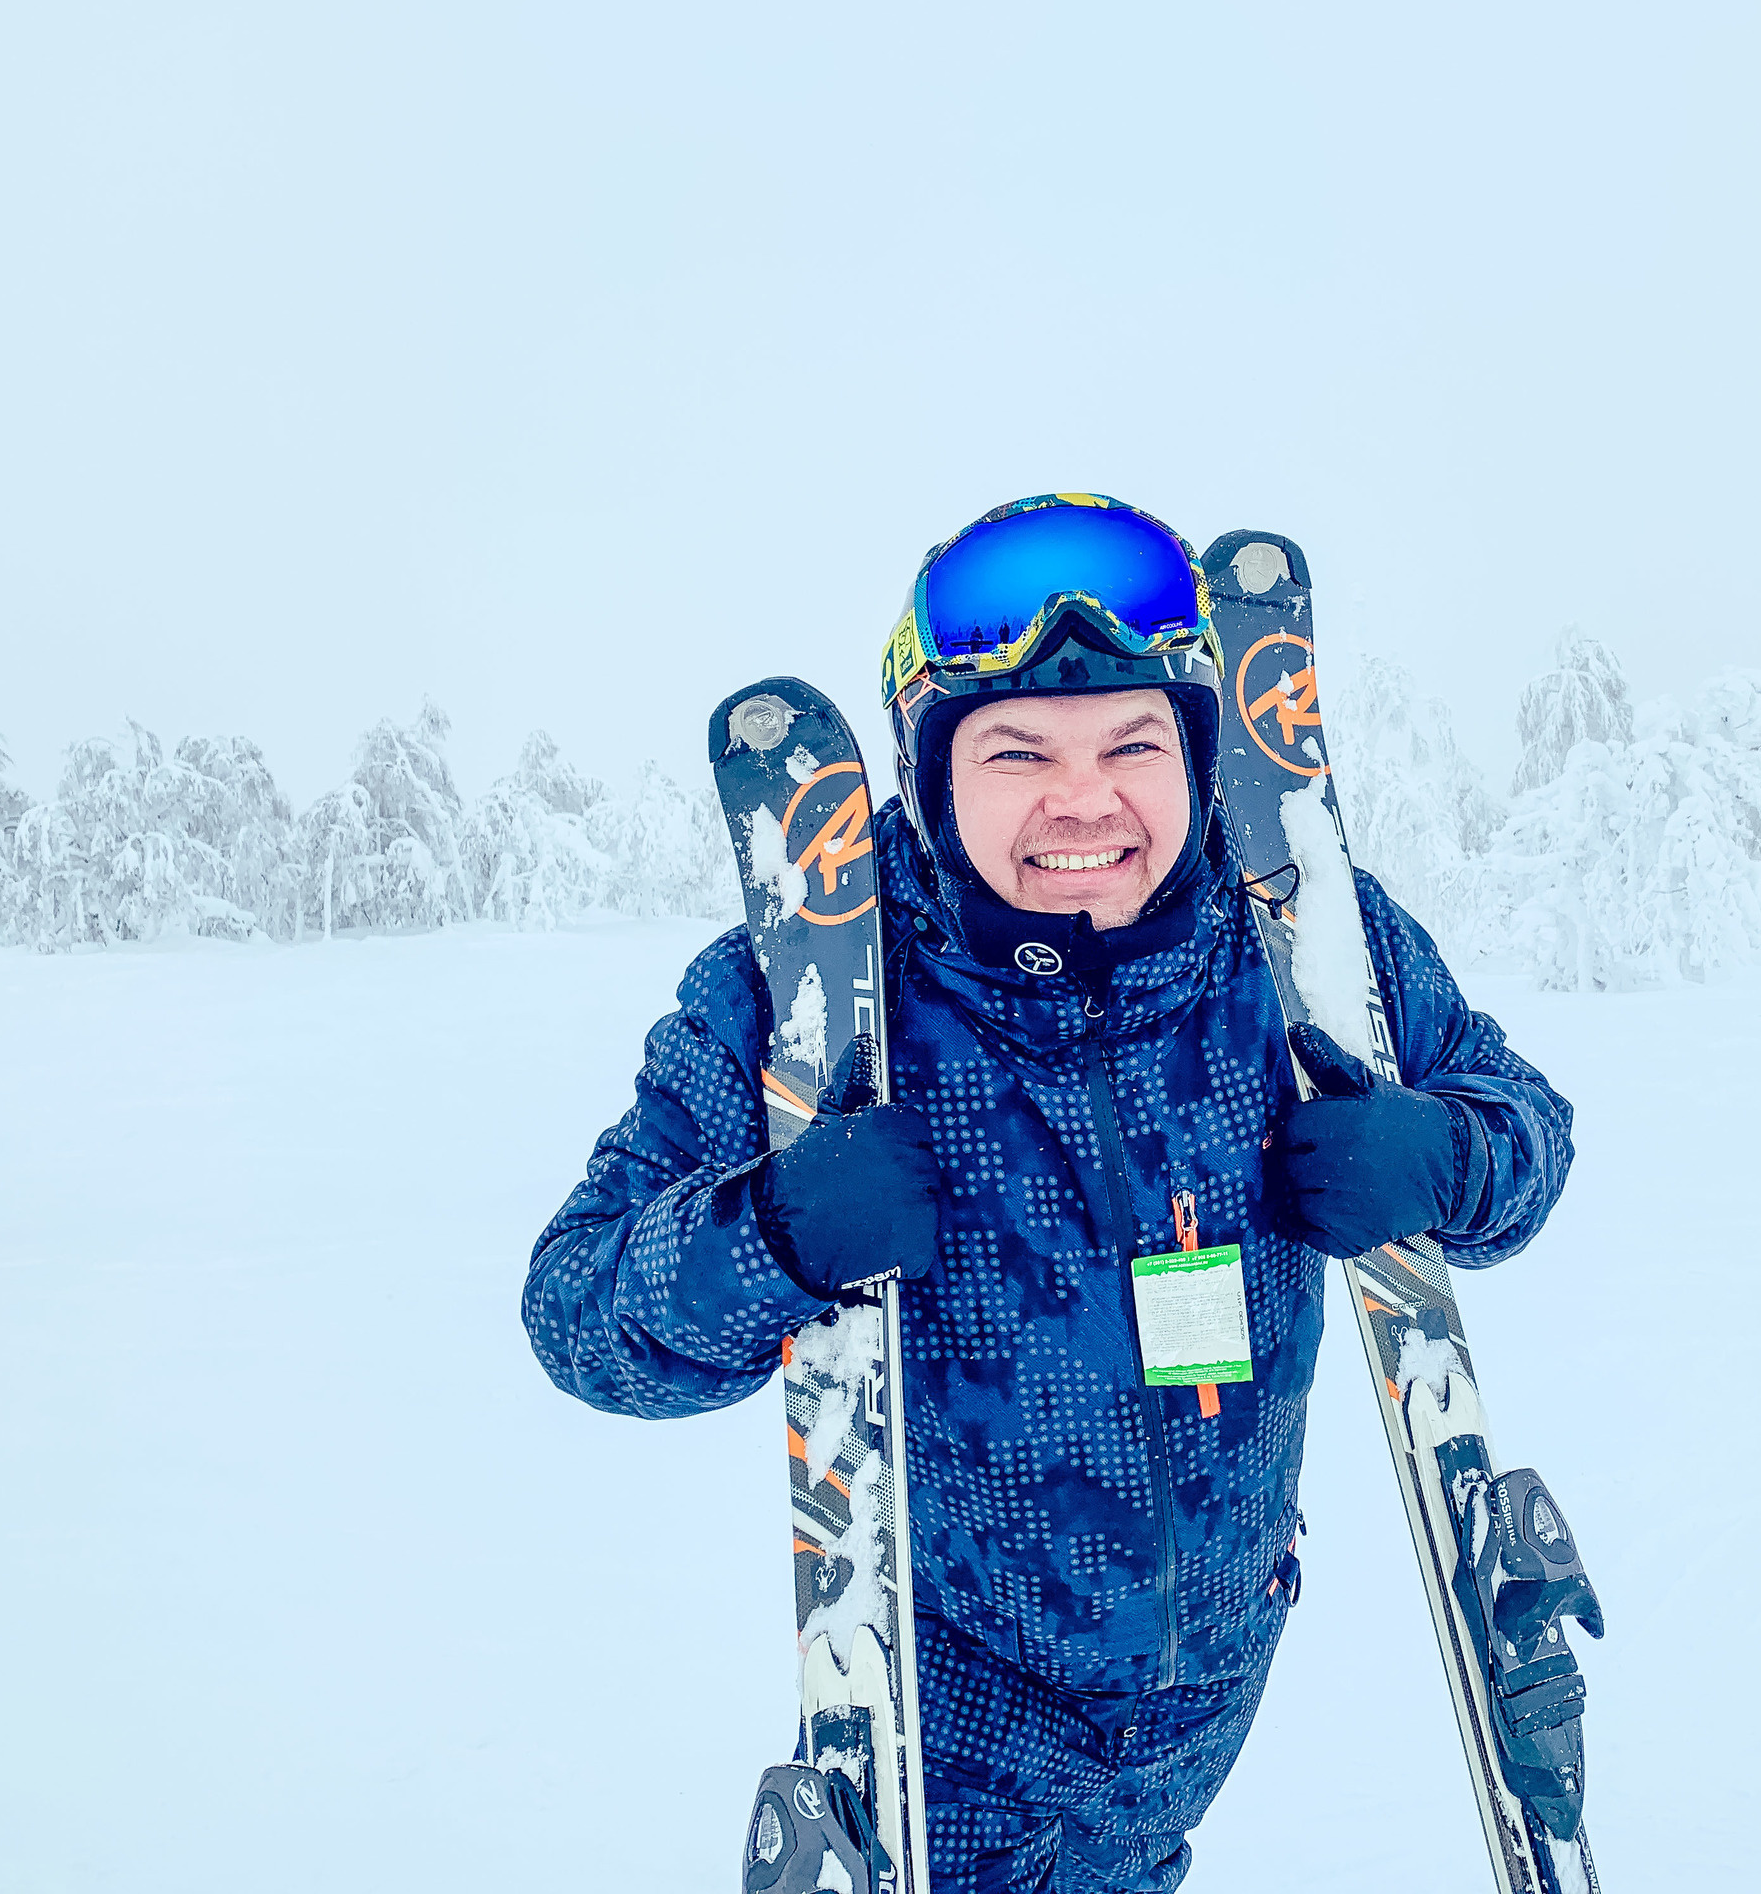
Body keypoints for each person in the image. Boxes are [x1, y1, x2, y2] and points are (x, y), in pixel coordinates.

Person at [524, 494, 1574, 1891]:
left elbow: (1529, 1133)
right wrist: (774, 1232)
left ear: (1197, 757)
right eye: (1018, 751)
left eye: (1134, 743)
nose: (1086, 801)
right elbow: (576, 1312)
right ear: (928, 767)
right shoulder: (804, 995)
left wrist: (1441, 1154)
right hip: (950, 1711)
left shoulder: (1304, 936)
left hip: (1216, 1669)